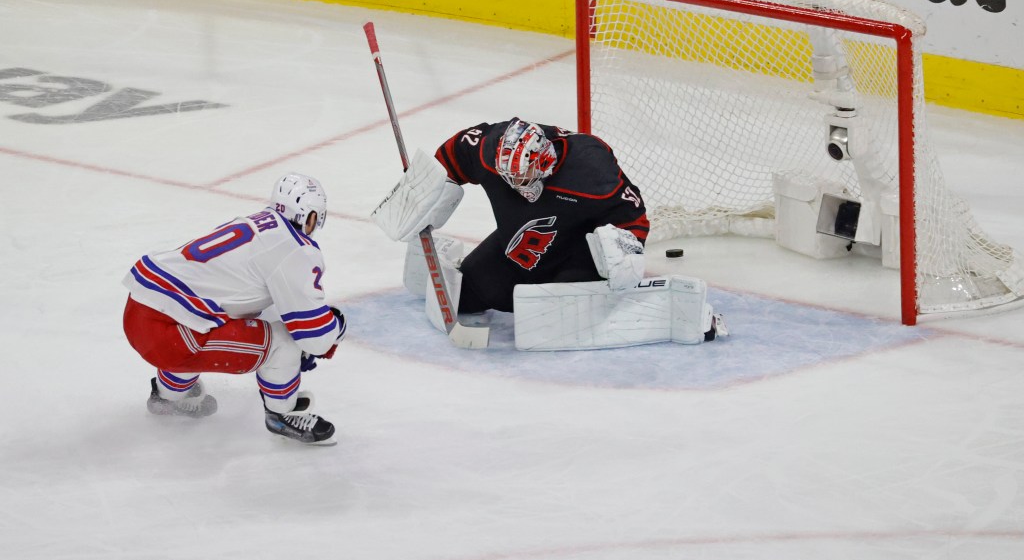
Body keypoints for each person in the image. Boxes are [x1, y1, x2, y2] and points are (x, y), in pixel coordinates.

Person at [372, 118, 725, 349]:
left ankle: (661, 308)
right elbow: (449, 158)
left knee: (555, 321)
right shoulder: (487, 149)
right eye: (507, 177)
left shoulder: (589, 168)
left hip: (578, 251)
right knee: (468, 295)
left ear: (545, 163)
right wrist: (423, 190)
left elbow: (633, 216)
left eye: (523, 178)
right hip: (522, 244)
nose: (515, 185)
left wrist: (626, 250)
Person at [121, 174, 346, 445]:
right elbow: (316, 336)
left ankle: (167, 397)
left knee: (202, 318)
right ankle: (281, 416)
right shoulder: (295, 249)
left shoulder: (254, 222)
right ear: (310, 216)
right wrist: (337, 327)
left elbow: (250, 301)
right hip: (171, 337)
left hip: (139, 311)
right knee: (285, 342)